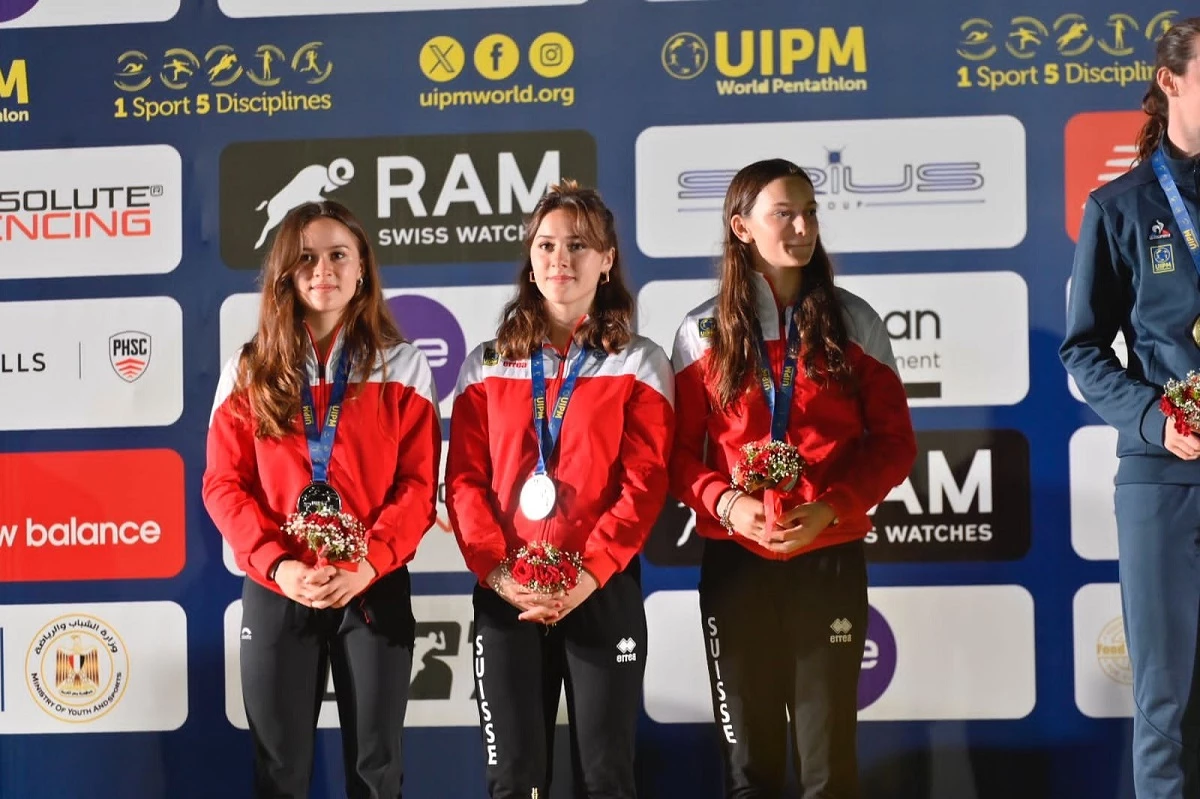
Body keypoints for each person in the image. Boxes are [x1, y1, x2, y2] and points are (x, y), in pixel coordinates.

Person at [668, 158, 917, 798]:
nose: (803, 226)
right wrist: (724, 504)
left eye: (809, 211)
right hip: (735, 563)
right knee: (750, 766)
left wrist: (833, 507)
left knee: (827, 765)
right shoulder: (700, 332)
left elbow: (893, 446)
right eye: (785, 213)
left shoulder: (853, 320)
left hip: (827, 561)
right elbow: (674, 456)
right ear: (741, 227)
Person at [202, 200, 441, 798]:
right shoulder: (250, 368)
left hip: (372, 582)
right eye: (306, 257)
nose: (323, 270)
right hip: (279, 585)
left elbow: (417, 488)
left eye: (339, 255)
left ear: (363, 269)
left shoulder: (403, 366)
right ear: (285, 270)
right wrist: (279, 565)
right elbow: (222, 484)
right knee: (279, 772)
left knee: (376, 771)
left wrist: (367, 563)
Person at [446, 180, 675, 798]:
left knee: (606, 779)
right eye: (546, 245)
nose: (560, 260)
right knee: (514, 781)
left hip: (601, 588)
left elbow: (645, 483)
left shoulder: (640, 361)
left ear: (607, 261)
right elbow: (463, 482)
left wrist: (589, 573)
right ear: (530, 259)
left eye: (579, 245)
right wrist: (499, 573)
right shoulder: (487, 362)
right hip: (507, 593)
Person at [1060, 18, 1200, 798]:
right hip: (1165, 479)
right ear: (1171, 81)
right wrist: (1157, 420)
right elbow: (1082, 348)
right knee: (1165, 706)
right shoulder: (1122, 204)